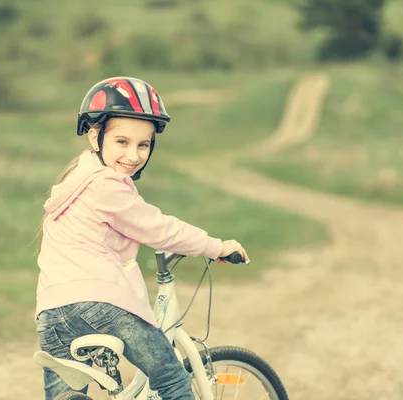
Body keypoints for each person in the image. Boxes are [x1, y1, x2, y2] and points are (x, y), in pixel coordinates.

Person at [35, 77, 250, 400]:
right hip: (101, 305)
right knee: (173, 381)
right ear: (96, 137)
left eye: (143, 145)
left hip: (51, 311)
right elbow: (160, 229)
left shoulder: (74, 181)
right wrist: (216, 246)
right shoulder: (106, 186)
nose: (134, 155)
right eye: (122, 142)